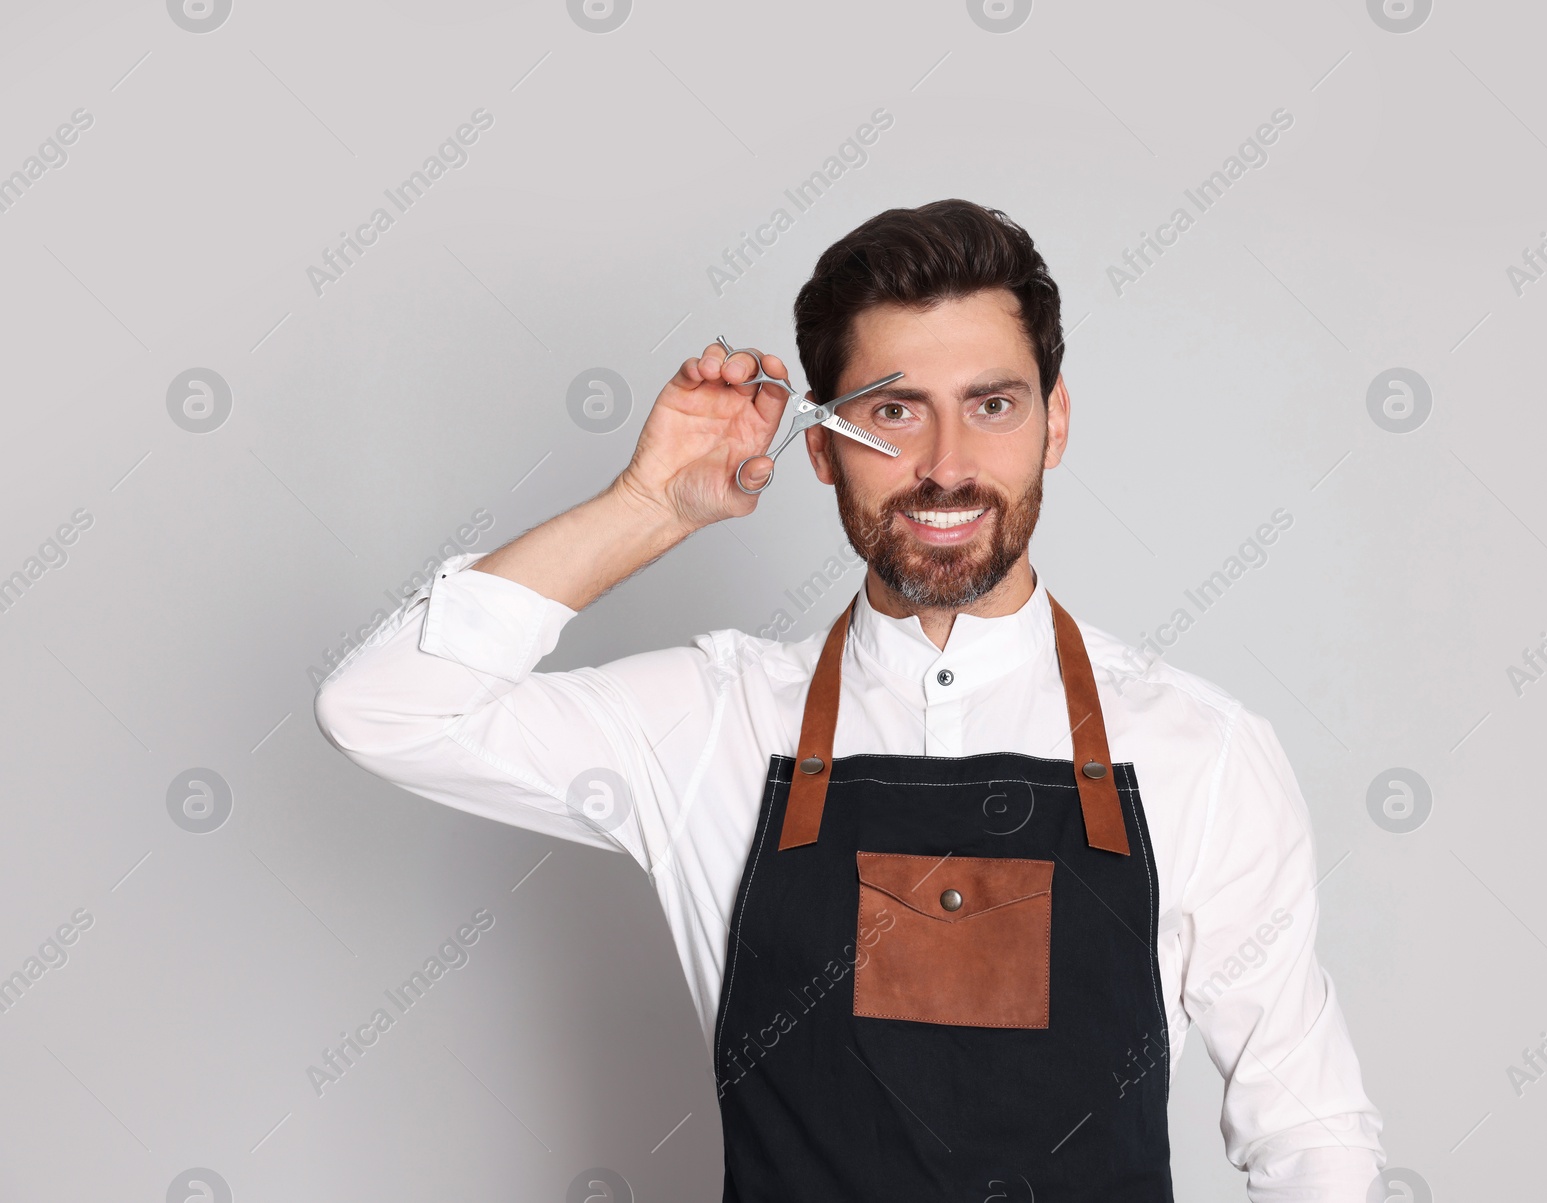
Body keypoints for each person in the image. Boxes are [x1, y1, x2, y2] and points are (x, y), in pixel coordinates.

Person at [314, 199, 1385, 1200]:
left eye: (992, 405)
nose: (946, 466)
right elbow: (383, 709)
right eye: (892, 413)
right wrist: (649, 507)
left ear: (1053, 422)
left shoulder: (1200, 749)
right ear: (820, 446)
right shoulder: (709, 725)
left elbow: (1309, 1131)